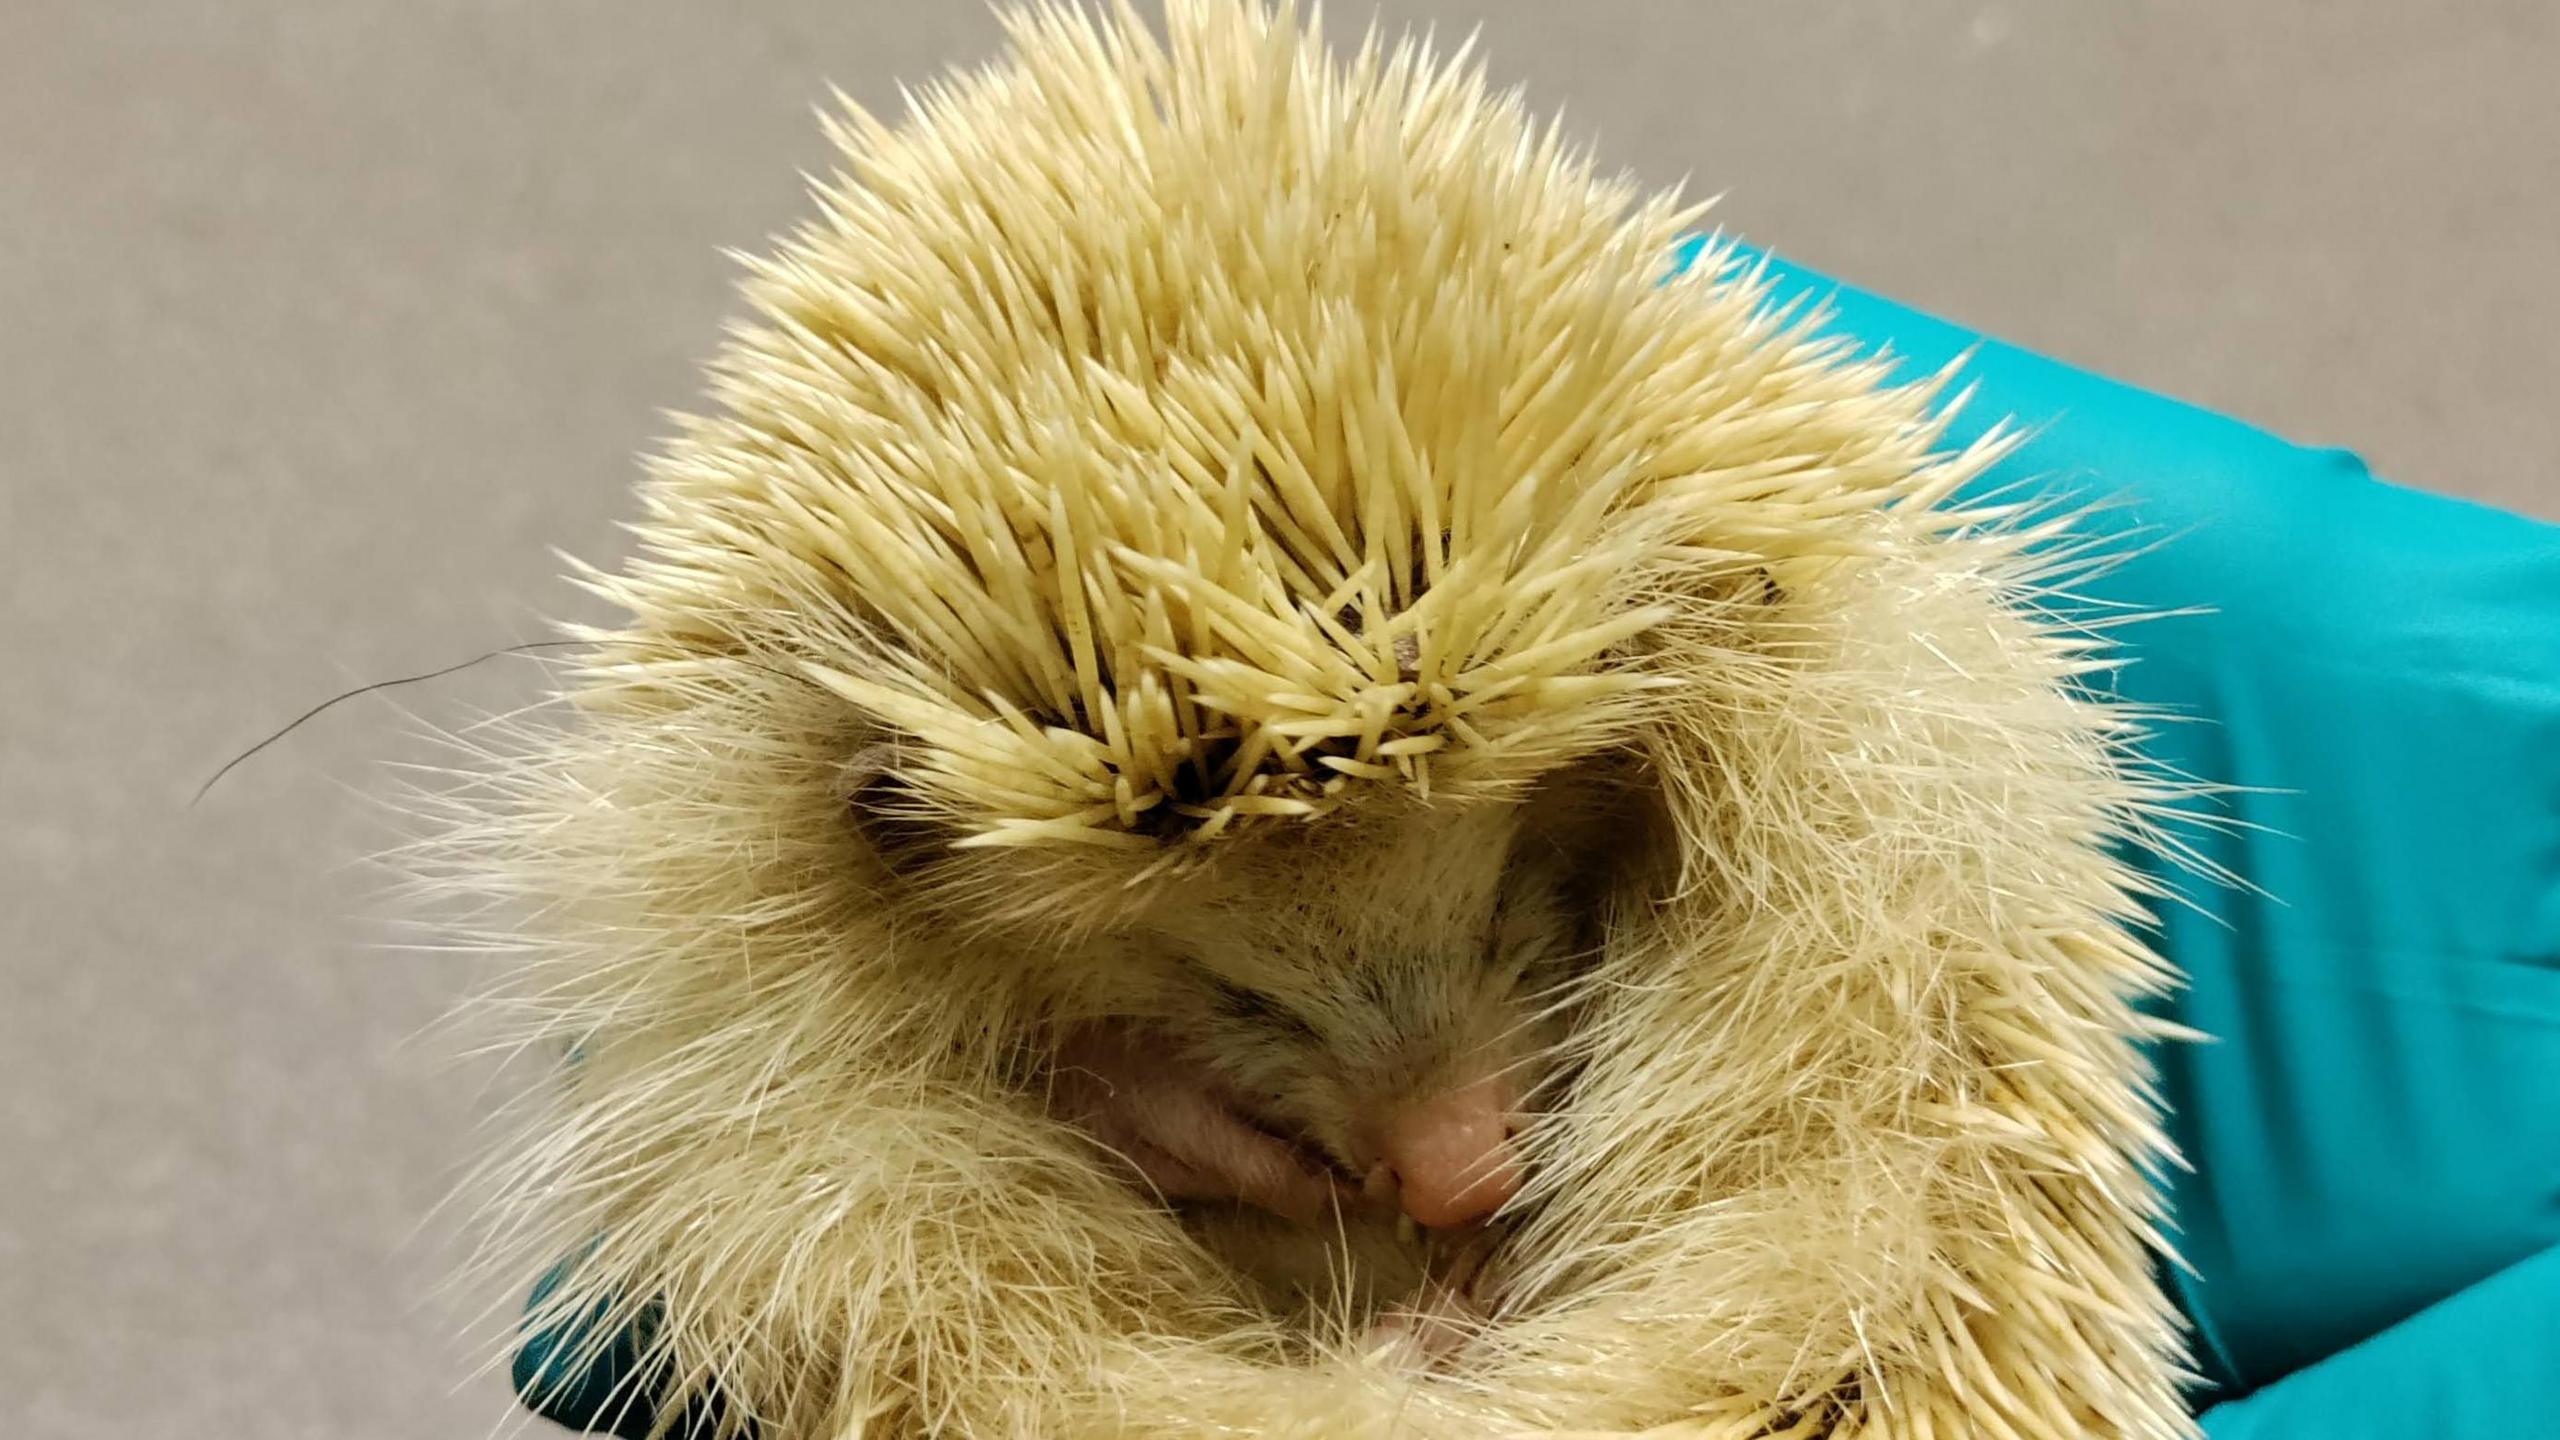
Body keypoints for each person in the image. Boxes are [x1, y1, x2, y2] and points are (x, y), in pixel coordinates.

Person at [514, 243, 2560, 1436]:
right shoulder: (854, 853)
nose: (1456, 1156)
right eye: (1239, 973)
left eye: (1497, 893)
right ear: (894, 829)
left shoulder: (1751, 649)